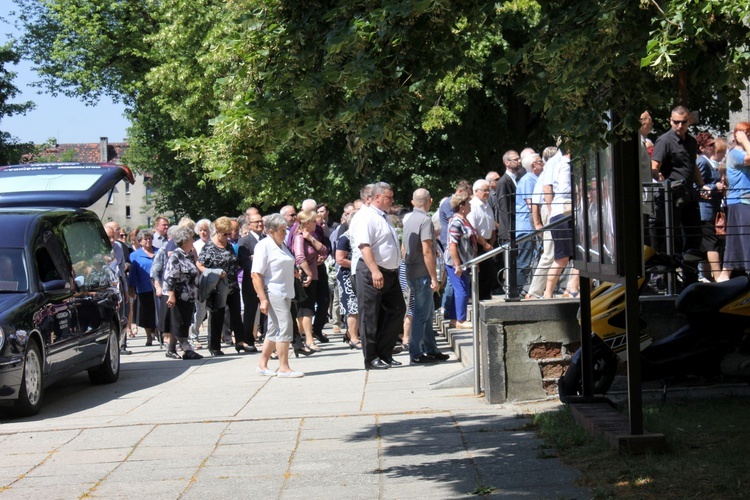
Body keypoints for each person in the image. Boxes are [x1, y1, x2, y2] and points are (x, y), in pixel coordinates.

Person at [651, 106, 710, 284]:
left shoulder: (691, 142)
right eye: (676, 122)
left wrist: (702, 185)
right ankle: (668, 281)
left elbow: (692, 167)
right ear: (670, 121)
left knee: (694, 236)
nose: (679, 125)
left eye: (683, 122)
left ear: (688, 122)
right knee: (672, 239)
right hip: (671, 197)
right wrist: (660, 179)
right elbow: (654, 166)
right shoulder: (665, 140)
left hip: (689, 195)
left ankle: (690, 279)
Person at [352, 182, 406, 370]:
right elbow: (364, 246)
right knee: (370, 315)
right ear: (376, 197)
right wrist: (375, 270)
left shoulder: (383, 217)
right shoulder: (366, 217)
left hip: (390, 273)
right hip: (372, 271)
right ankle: (371, 357)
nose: (391, 200)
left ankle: (385, 352)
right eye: (388, 197)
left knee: (397, 309)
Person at [252, 213, 304, 378]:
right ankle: (284, 367)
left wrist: (295, 272)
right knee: (284, 326)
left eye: (285, 230)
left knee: (274, 329)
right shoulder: (264, 245)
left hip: (285, 291)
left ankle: (262, 365)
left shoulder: (281, 246)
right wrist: (263, 299)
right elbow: (256, 274)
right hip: (273, 291)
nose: (284, 233)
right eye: (281, 230)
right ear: (271, 231)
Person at [403, 188, 449, 365]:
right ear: (430, 201)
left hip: (412, 270)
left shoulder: (409, 220)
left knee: (428, 313)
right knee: (422, 314)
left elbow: (405, 248)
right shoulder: (424, 220)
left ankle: (431, 349)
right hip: (422, 273)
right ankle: (415, 352)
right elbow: (427, 250)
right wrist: (433, 278)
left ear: (413, 202)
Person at [197, 216, 254, 355]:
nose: (227, 237)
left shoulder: (228, 245)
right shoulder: (209, 246)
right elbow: (200, 264)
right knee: (217, 316)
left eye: (229, 234)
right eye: (225, 234)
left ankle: (240, 342)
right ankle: (214, 347)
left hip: (232, 285)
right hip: (217, 288)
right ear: (217, 230)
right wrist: (214, 273)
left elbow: (232, 261)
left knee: (236, 315)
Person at [291, 209, 329, 352]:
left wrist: (311, 239)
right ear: (306, 223)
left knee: (307, 308)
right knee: (306, 309)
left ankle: (297, 341)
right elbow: (300, 257)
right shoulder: (299, 237)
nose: (316, 223)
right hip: (305, 277)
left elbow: (324, 250)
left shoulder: (309, 236)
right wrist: (307, 273)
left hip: (313, 276)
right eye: (314, 221)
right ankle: (308, 340)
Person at [163, 227, 203, 360]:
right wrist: (171, 295)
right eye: (192, 238)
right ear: (185, 241)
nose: (194, 240)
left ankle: (171, 349)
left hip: (189, 295)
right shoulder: (176, 255)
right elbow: (170, 277)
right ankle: (187, 348)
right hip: (178, 295)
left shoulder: (189, 255)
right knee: (178, 323)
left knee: (183, 323)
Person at [719, 123, 750, 280]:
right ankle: (725, 275)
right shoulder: (735, 153)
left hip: (744, 202)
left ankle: (725, 274)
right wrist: (744, 141)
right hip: (740, 201)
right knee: (744, 239)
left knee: (737, 242)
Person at [695, 132, 725, 281]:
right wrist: (715, 187)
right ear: (702, 147)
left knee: (710, 242)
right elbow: (697, 186)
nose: (713, 147)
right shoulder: (702, 162)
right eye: (710, 145)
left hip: (711, 208)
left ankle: (708, 276)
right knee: (710, 242)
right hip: (704, 209)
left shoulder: (708, 162)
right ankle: (718, 276)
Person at [444, 192, 476, 329]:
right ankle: (460, 320)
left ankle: (454, 318)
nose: (470, 206)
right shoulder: (457, 222)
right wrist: (457, 265)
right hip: (456, 262)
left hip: (465, 261)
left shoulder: (464, 220)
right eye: (468, 203)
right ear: (462, 206)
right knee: (462, 291)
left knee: (460, 289)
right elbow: (452, 244)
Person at [494, 150, 524, 294]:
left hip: (517, 227)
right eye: (515, 159)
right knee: (511, 261)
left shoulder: (519, 179)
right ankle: (511, 290)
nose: (519, 161)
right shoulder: (503, 182)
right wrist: (507, 232)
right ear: (507, 162)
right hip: (510, 230)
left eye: (519, 159)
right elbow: (503, 208)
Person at [238, 213, 267, 347]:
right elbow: (245, 262)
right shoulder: (244, 241)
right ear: (249, 225)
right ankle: (248, 340)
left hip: (266, 281)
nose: (259, 224)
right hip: (250, 282)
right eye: (256, 222)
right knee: (250, 312)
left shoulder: (267, 239)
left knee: (266, 312)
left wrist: (255, 257)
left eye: (261, 221)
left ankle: (268, 338)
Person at [516, 154, 543, 295]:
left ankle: (523, 289)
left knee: (531, 260)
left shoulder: (534, 179)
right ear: (533, 165)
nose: (543, 164)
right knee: (524, 261)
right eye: (540, 162)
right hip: (527, 227)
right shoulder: (528, 180)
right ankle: (517, 290)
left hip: (530, 226)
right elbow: (530, 203)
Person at [335, 217, 361, 349]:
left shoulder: (358, 236)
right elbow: (340, 259)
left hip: (358, 274)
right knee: (352, 307)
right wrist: (359, 265)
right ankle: (354, 338)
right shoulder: (345, 238)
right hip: (347, 276)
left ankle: (350, 333)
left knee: (358, 306)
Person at [128, 229, 157, 346]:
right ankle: (149, 336)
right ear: (140, 241)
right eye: (145, 239)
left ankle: (159, 333)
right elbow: (133, 273)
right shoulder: (134, 255)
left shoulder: (159, 251)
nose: (148, 241)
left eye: (150, 238)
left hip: (158, 288)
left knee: (158, 312)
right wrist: (132, 287)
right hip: (143, 288)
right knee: (146, 314)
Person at [467, 180, 495, 300]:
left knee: (488, 273)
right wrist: (484, 243)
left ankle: (485, 297)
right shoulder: (472, 206)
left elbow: (492, 227)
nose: (488, 193)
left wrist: (490, 244)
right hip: (476, 245)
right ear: (476, 191)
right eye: (485, 190)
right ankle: (477, 299)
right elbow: (472, 230)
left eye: (489, 190)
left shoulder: (488, 205)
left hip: (488, 244)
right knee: (478, 274)